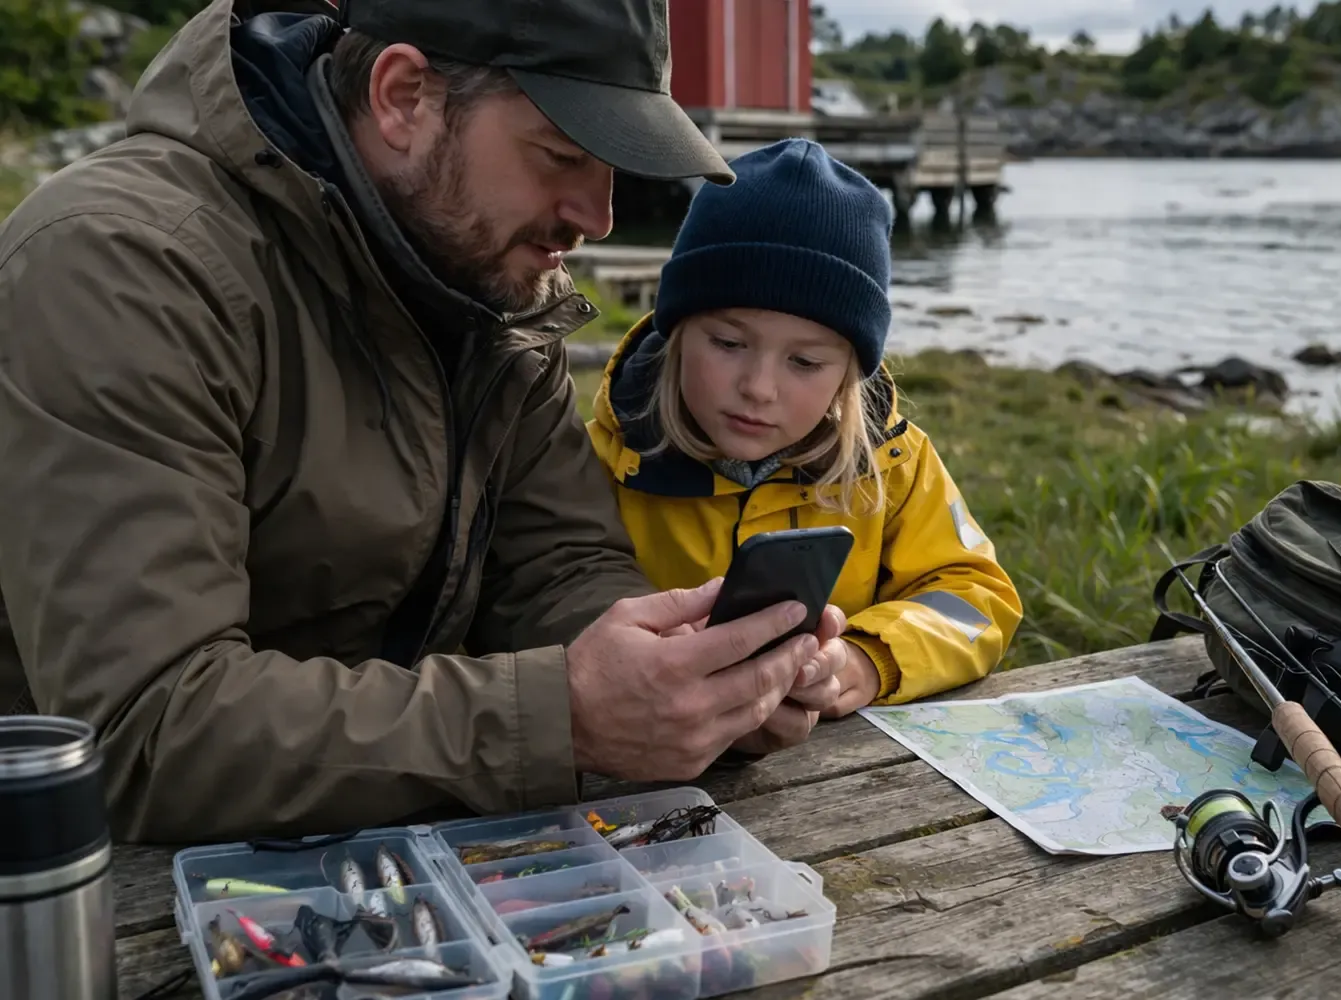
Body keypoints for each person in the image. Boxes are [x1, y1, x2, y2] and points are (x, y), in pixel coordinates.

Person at [0, 0, 848, 843]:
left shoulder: (494, 284)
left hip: (382, 845)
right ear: (403, 97)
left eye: (613, 168)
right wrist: (562, 718)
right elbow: (146, 729)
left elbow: (558, 566)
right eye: (561, 155)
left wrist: (691, 679)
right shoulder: (121, 266)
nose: (598, 217)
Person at [586, 139, 1024, 719]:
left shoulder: (897, 465)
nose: (759, 387)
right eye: (728, 343)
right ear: (676, 332)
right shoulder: (591, 462)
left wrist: (866, 660)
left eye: (805, 362)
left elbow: (976, 597)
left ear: (850, 373)